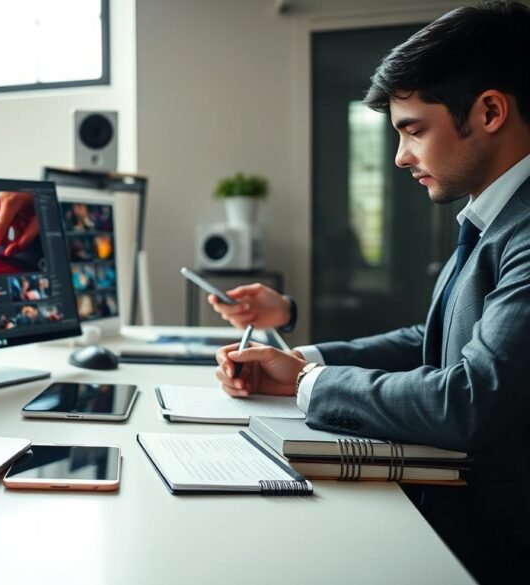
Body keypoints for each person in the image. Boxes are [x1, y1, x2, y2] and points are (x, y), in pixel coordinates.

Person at [211, 4, 530, 582]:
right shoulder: (494, 219)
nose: (401, 156)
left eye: (413, 130)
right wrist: (304, 362)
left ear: (489, 111)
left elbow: (469, 400)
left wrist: (310, 385)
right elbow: (429, 344)